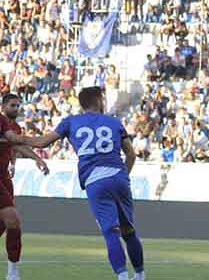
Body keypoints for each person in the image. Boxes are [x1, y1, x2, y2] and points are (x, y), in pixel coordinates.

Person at [3, 87, 145, 280]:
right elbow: (131, 154)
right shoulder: (114, 122)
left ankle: (122, 277)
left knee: (111, 232)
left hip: (95, 181)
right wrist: (123, 176)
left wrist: (17, 139)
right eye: (102, 98)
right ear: (97, 100)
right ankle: (140, 275)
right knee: (128, 230)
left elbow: (43, 142)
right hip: (119, 177)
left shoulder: (71, 122)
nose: (103, 101)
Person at [0, 93, 49, 280]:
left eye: (18, 105)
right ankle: (13, 272)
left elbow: (15, 146)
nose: (16, 109)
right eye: (13, 105)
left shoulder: (15, 127)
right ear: (4, 106)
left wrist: (36, 158)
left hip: (4, 176)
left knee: (6, 223)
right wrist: (39, 142)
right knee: (12, 219)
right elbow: (14, 141)